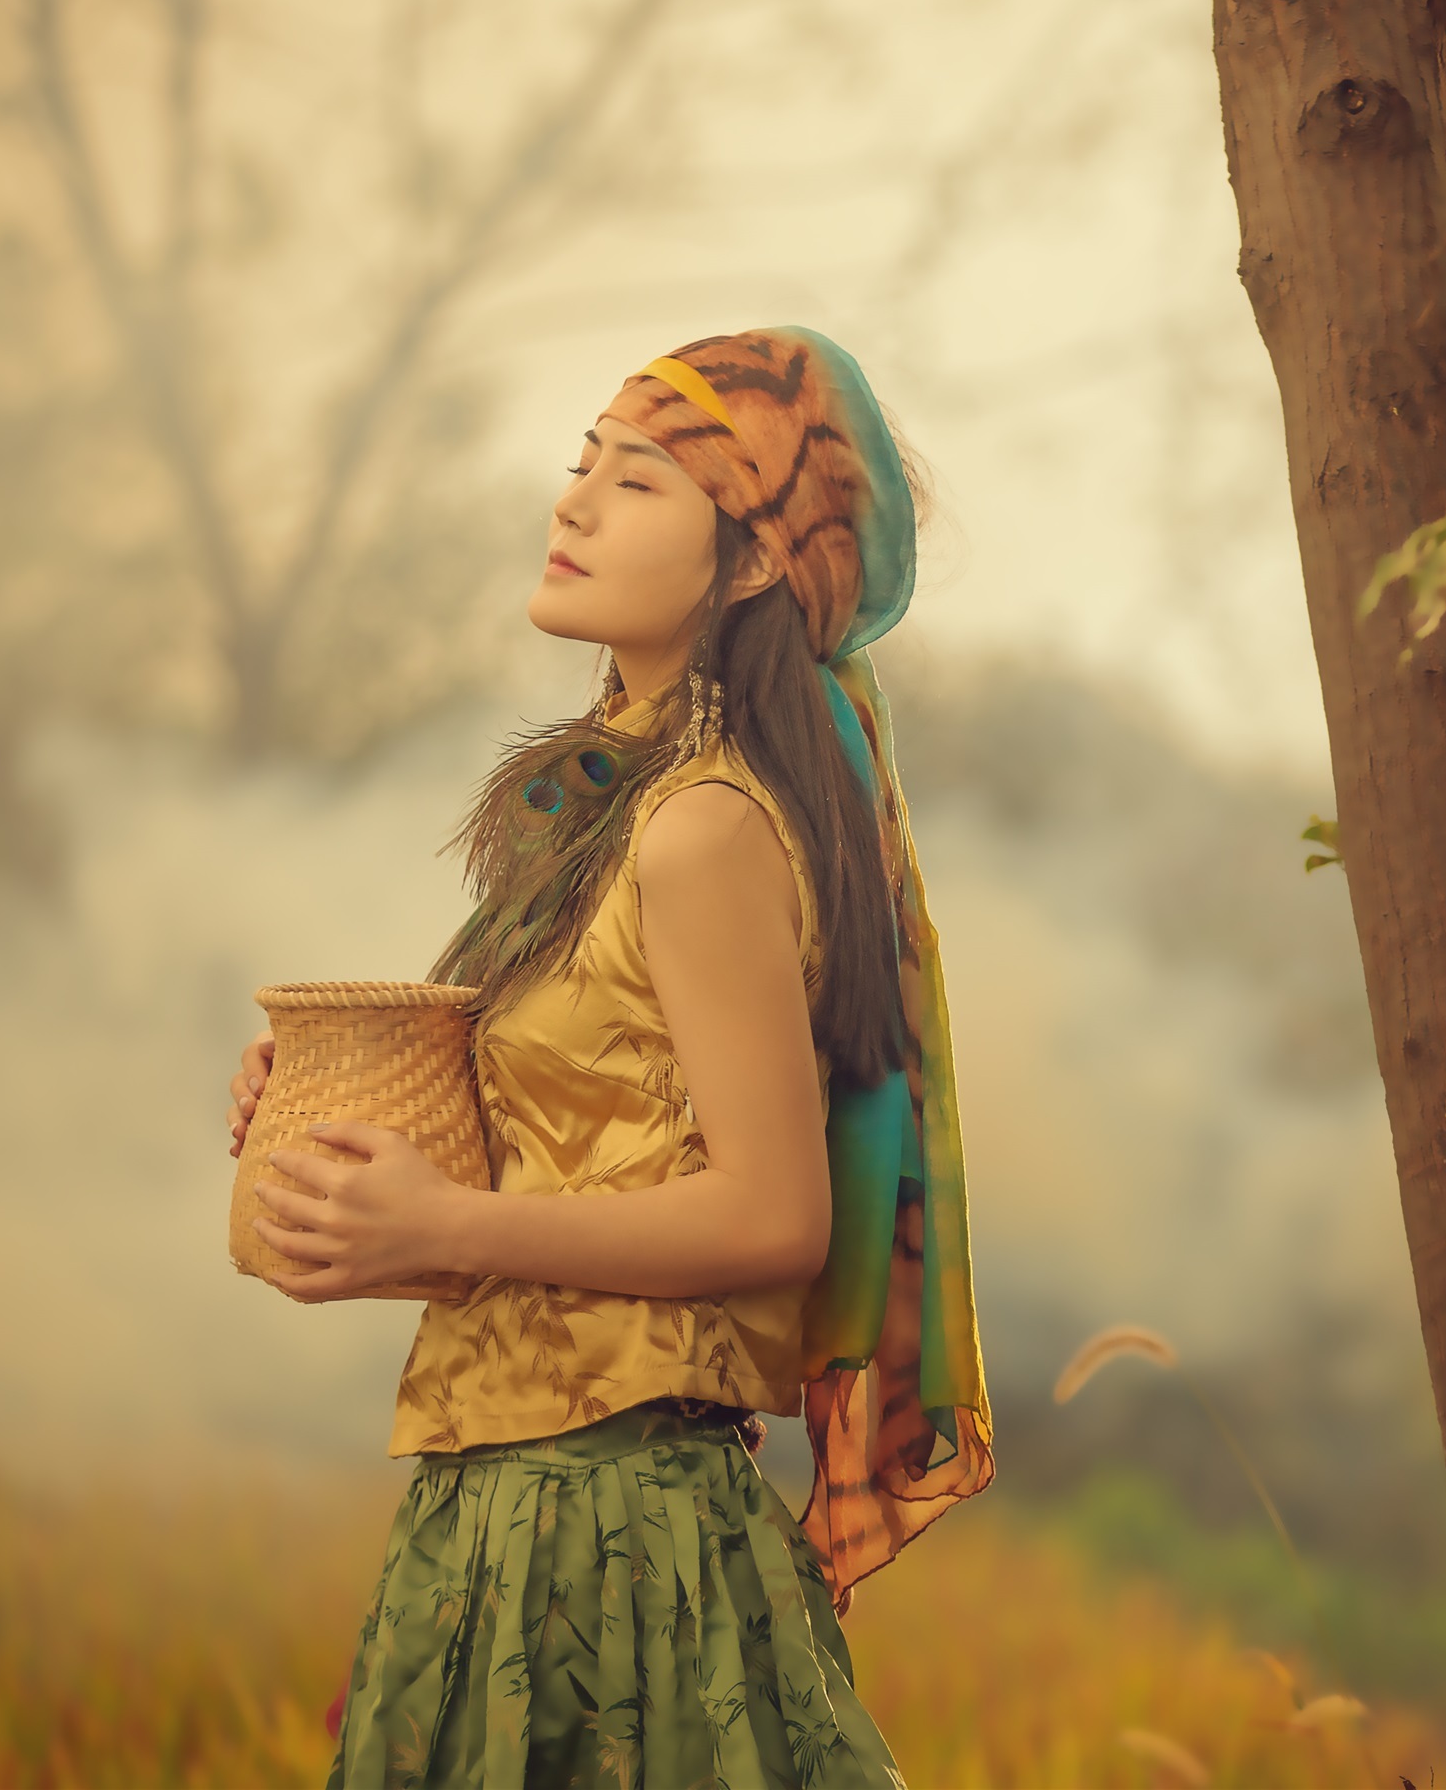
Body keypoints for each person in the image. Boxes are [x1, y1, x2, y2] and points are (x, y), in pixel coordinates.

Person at [221, 329, 992, 1790]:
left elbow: (775, 1214)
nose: (570, 503)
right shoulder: (601, 812)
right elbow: (576, 1165)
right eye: (581, 466)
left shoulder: (702, 827)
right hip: (495, 1510)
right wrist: (326, 1134)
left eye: (635, 482)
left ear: (760, 561)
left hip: (620, 1532)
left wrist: (449, 1221)